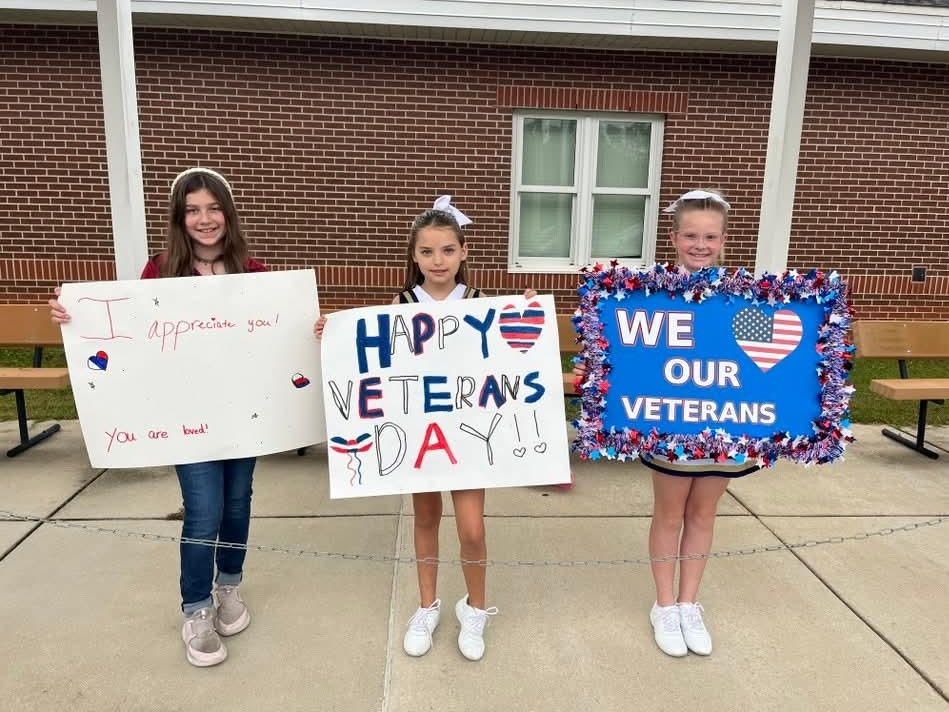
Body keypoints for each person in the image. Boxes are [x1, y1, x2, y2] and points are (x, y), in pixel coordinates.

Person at [50, 167, 267, 667]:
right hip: (186, 417)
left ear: (228, 214)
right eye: (192, 210)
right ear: (178, 217)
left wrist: (314, 327)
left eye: (213, 208)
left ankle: (229, 584)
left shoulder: (255, 272)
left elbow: (280, 332)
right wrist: (74, 314)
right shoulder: (162, 271)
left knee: (238, 503)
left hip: (245, 415)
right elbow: (127, 325)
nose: (204, 219)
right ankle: (196, 608)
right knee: (204, 509)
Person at [314, 196, 535, 661]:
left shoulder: (480, 303)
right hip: (421, 435)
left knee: (472, 529)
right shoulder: (401, 304)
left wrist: (528, 313)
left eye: (448, 250)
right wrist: (335, 333)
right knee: (426, 519)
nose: (438, 260)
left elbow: (508, 357)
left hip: (467, 435)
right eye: (428, 251)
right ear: (414, 256)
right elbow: (377, 357)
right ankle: (427, 605)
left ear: (464, 252)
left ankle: (475, 608)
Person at [575, 189, 752, 658]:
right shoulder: (648, 296)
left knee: (703, 513)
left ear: (723, 240)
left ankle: (690, 603)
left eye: (710, 237)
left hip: (722, 424)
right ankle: (665, 604)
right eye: (691, 235)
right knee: (670, 513)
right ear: (673, 238)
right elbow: (621, 348)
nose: (700, 245)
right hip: (669, 423)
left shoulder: (744, 297)